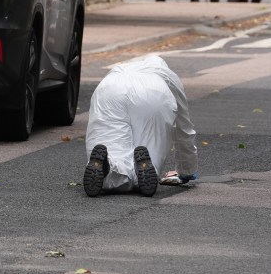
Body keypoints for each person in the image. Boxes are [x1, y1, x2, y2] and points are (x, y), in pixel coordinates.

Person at [83, 54, 198, 197]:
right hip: (153, 93)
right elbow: (184, 129)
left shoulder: (120, 68)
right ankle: (143, 171)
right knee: (149, 153)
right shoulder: (167, 74)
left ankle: (108, 167)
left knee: (112, 147)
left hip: (109, 89)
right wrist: (186, 170)